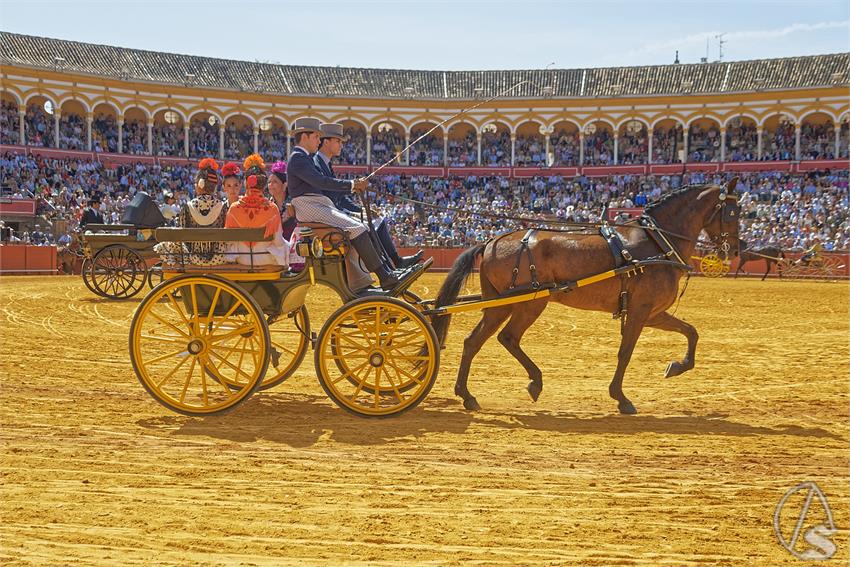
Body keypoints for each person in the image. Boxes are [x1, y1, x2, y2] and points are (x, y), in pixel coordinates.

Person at [286, 117, 411, 292]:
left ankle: (379, 276)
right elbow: (321, 182)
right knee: (357, 228)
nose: (318, 141)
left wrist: (352, 187)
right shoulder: (298, 158)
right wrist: (352, 185)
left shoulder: (302, 158)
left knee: (358, 228)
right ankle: (385, 276)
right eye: (316, 137)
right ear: (305, 137)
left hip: (316, 204)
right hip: (310, 206)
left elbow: (323, 183)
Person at [315, 122, 422, 269]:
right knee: (370, 225)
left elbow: (339, 197)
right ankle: (386, 269)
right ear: (326, 142)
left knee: (378, 219)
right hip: (329, 214)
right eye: (338, 141)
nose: (341, 145)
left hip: (335, 211)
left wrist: (361, 210)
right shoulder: (317, 163)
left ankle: (396, 261)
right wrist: (353, 186)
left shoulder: (324, 163)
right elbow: (329, 190)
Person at [155, 158, 229, 266]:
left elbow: (181, 233)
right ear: (214, 187)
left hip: (193, 258)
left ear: (199, 185)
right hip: (219, 257)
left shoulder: (188, 207)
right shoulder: (223, 207)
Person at [224, 154, 288, 267]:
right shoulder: (272, 208)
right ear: (263, 186)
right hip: (266, 259)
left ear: (246, 184)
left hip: (242, 259)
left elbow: (229, 241)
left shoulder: (234, 208)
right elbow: (278, 242)